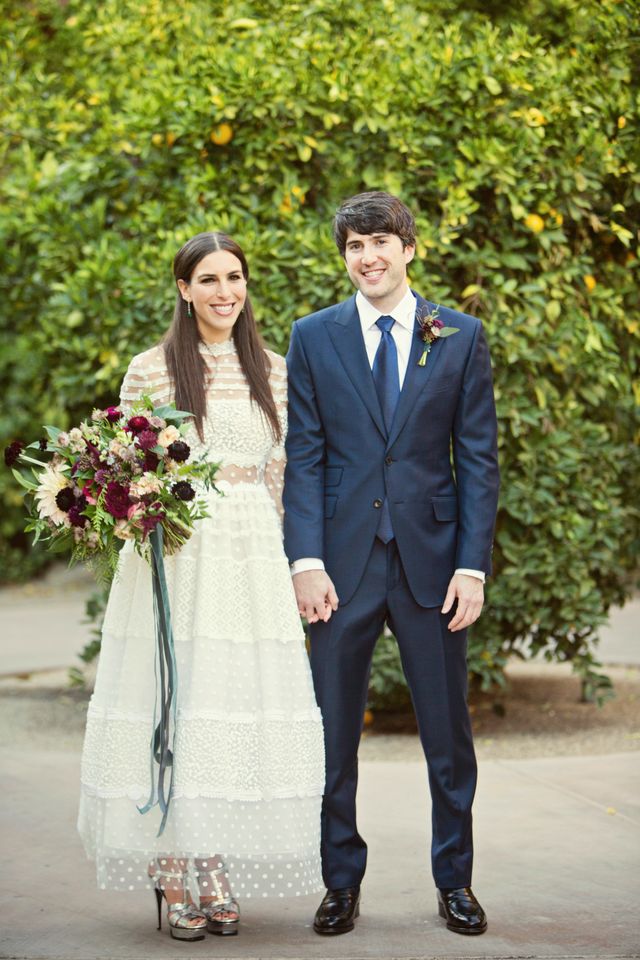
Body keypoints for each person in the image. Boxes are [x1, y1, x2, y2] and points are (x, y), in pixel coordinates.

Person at [78, 232, 325, 941]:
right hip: (179, 555)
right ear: (184, 289)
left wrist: (296, 563)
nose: (225, 292)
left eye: (235, 278)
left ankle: (212, 858)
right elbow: (126, 471)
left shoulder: (274, 370)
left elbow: (283, 478)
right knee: (177, 698)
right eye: (209, 280)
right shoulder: (150, 371)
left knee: (232, 698)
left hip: (250, 555)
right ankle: (175, 862)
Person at [283, 192, 499, 937]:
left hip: (432, 567)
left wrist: (472, 566)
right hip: (338, 567)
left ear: (409, 248)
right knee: (331, 736)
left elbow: (477, 460)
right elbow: (305, 456)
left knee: (447, 738)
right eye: (353, 246)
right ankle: (340, 881)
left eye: (380, 242)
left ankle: (455, 881)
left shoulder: (460, 336)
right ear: (343, 256)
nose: (367, 257)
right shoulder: (313, 337)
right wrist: (305, 559)